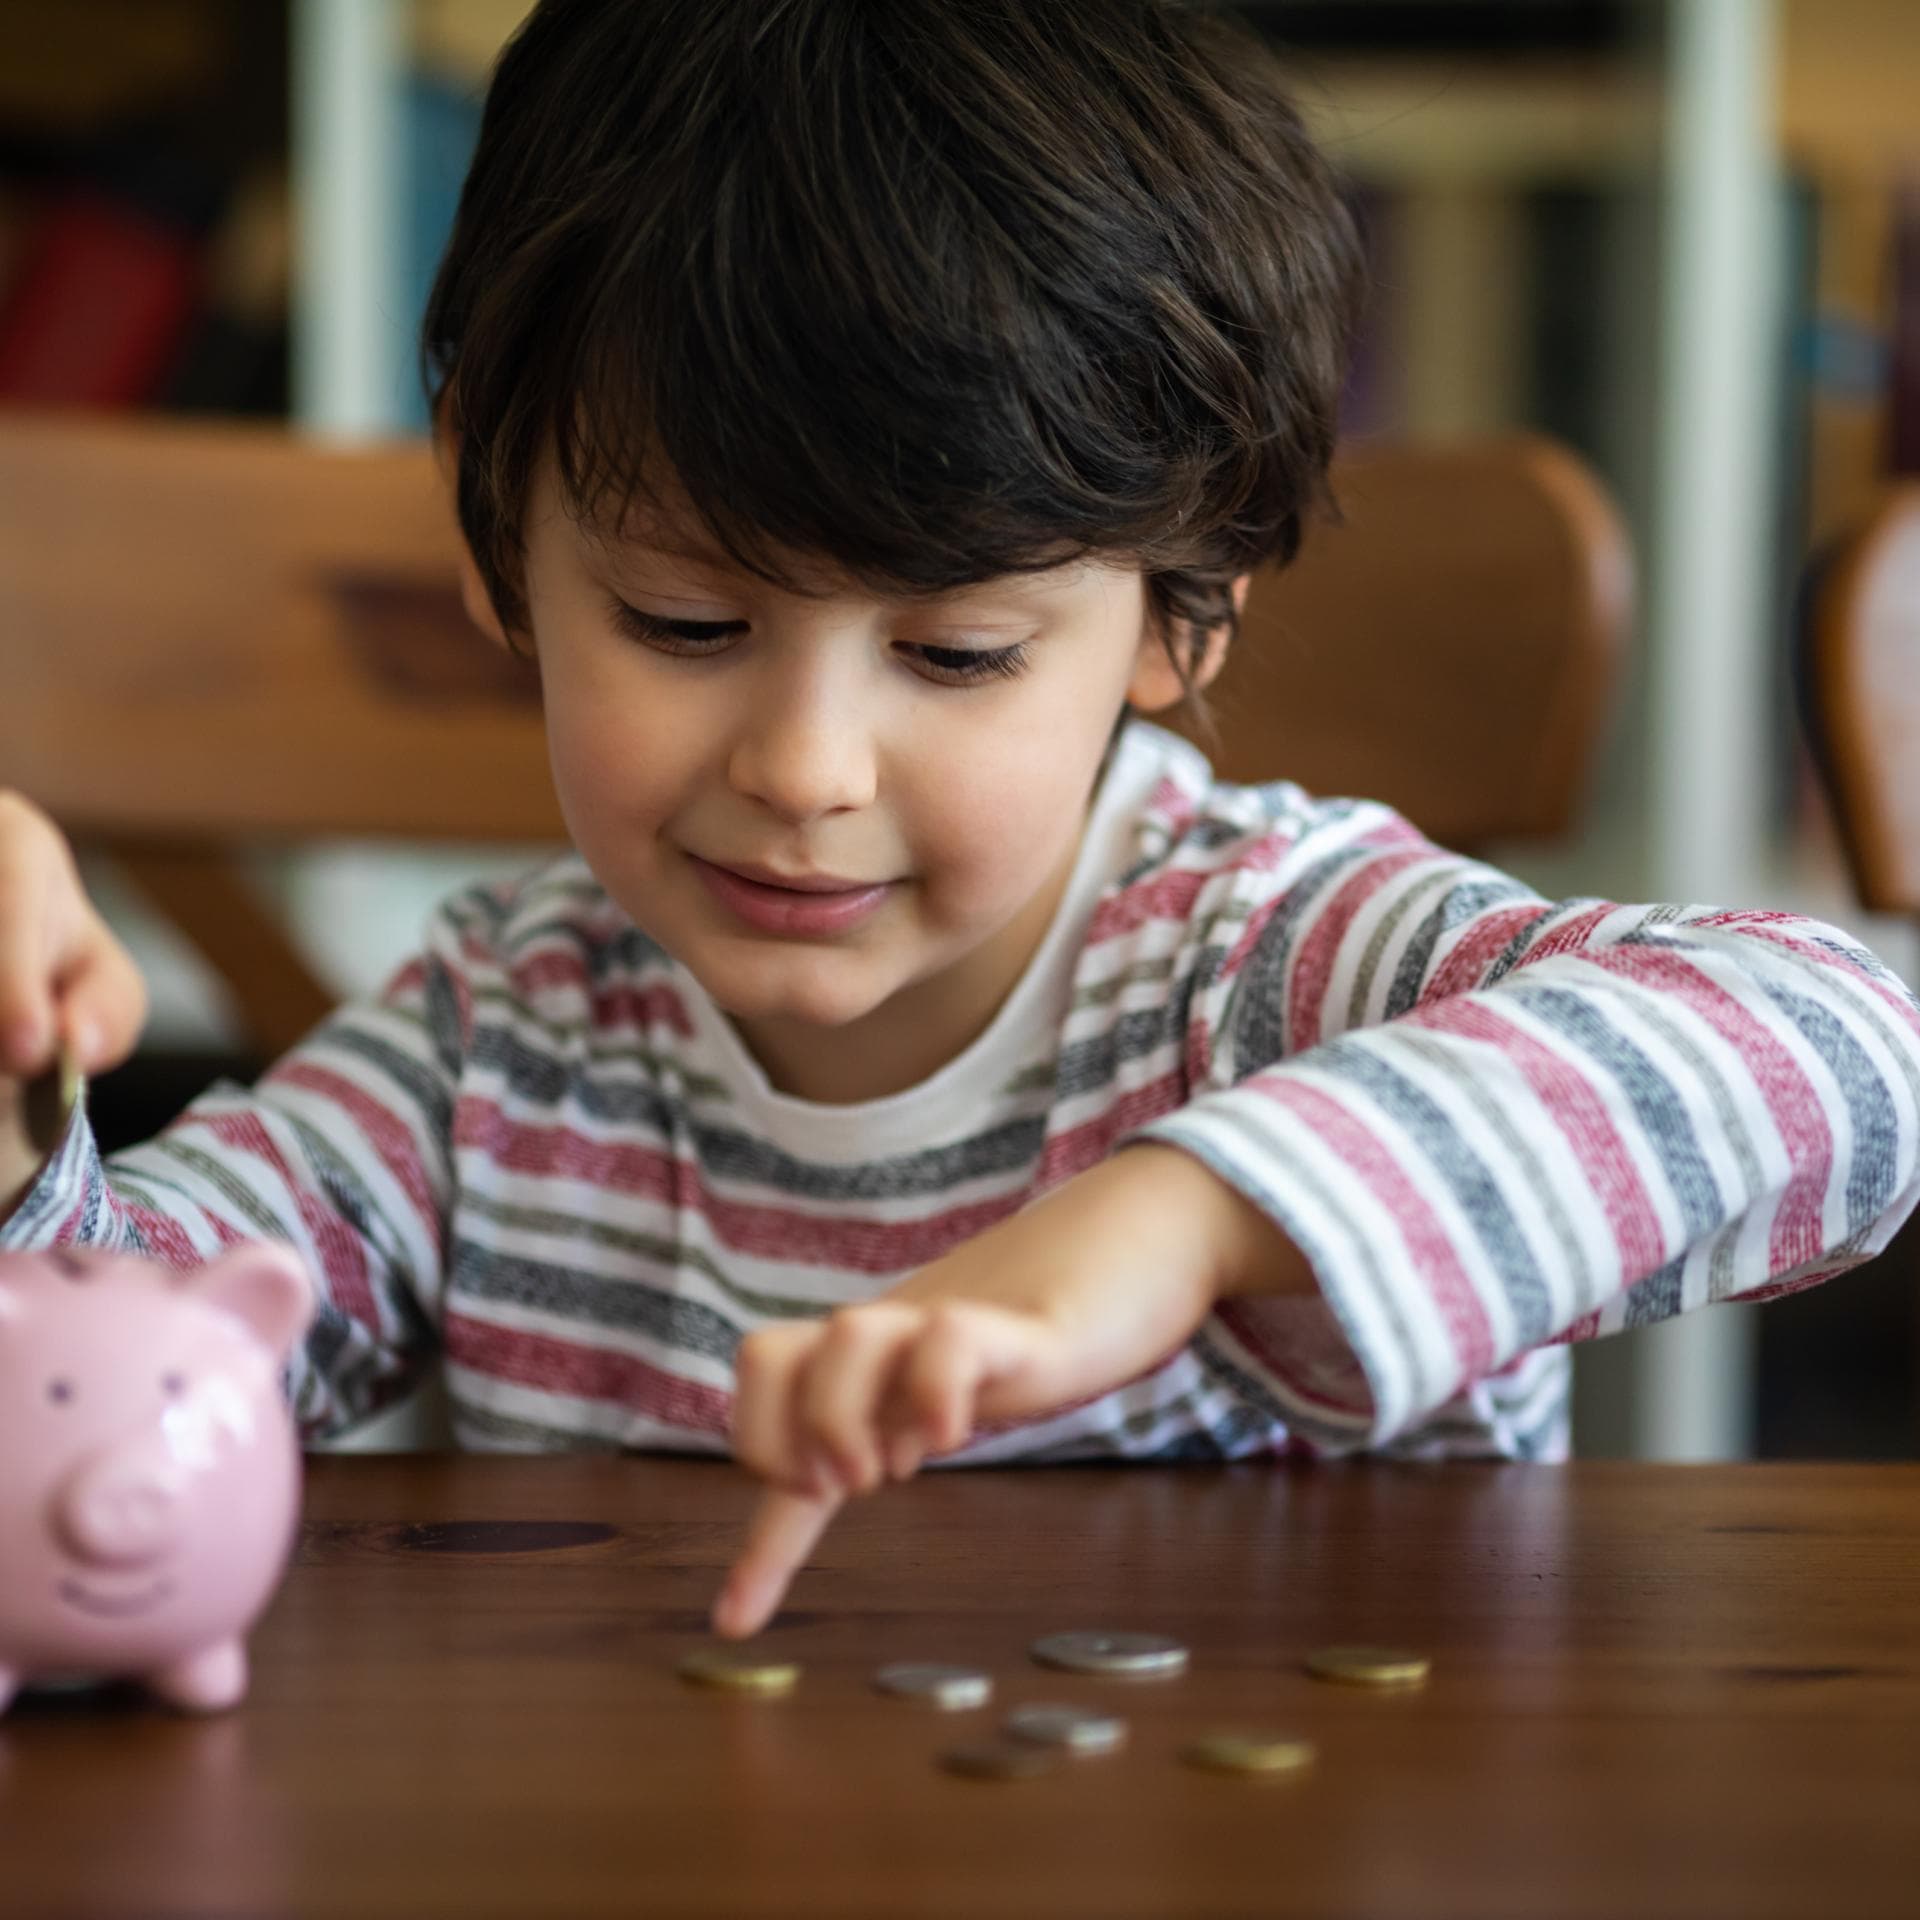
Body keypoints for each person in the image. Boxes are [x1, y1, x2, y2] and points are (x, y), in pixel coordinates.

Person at [3, 0, 1917, 1643]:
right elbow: (92, 1372)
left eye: (961, 651)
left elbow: (1849, 1052)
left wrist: (1188, 1221)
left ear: (1183, 613)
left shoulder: (1262, 962)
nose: (806, 765)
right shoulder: (497, 1043)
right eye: (686, 624)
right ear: (506, 553)